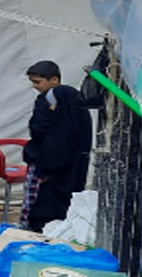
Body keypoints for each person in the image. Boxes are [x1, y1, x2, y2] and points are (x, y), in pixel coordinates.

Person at [22, 60, 93, 231]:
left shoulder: (59, 97)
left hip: (49, 163)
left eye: (37, 82)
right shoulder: (74, 101)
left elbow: (42, 130)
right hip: (69, 165)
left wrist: (47, 166)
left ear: (54, 79)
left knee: (37, 203)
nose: (35, 86)